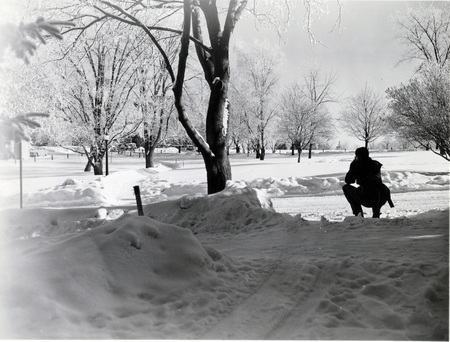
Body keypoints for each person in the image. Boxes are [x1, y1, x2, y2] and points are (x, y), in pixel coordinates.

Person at [343, 147, 394, 218]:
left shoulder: (357, 165)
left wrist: (352, 167)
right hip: (381, 196)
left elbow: (348, 181)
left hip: (366, 197)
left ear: (357, 156)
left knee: (346, 188)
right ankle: (376, 213)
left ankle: (358, 214)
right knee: (374, 188)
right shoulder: (375, 164)